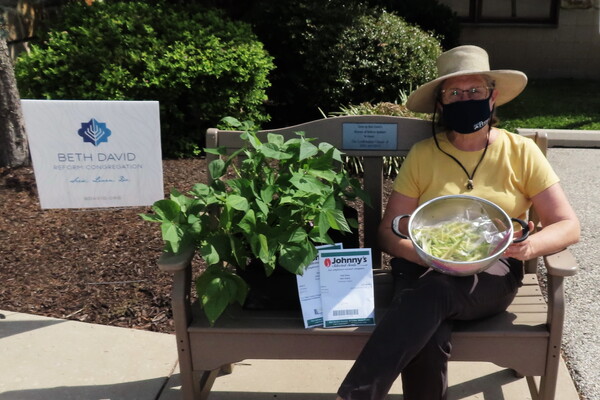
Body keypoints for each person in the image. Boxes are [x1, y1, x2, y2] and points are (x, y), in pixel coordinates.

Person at [335, 45, 580, 400]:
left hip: (493, 273)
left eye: (475, 91)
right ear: (441, 104)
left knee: (435, 292)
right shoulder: (424, 155)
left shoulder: (520, 152)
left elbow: (568, 225)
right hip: (421, 269)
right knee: (429, 333)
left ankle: (355, 396)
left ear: (492, 98)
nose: (465, 99)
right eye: (454, 93)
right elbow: (388, 232)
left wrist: (528, 246)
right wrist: (427, 258)